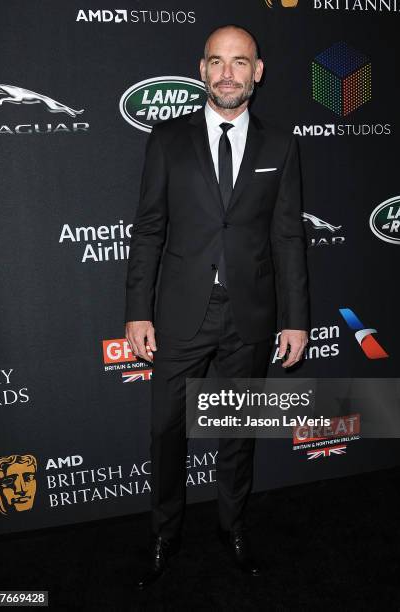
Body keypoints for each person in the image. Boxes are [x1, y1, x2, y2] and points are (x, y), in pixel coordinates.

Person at [124, 24, 310, 589]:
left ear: (258, 71)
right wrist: (137, 309)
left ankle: (232, 525)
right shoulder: (167, 139)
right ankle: (165, 532)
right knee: (166, 431)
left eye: (240, 61)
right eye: (216, 61)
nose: (227, 72)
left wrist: (296, 319)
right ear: (202, 69)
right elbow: (149, 229)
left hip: (249, 316)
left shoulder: (281, 145)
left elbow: (287, 239)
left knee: (238, 434)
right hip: (182, 313)